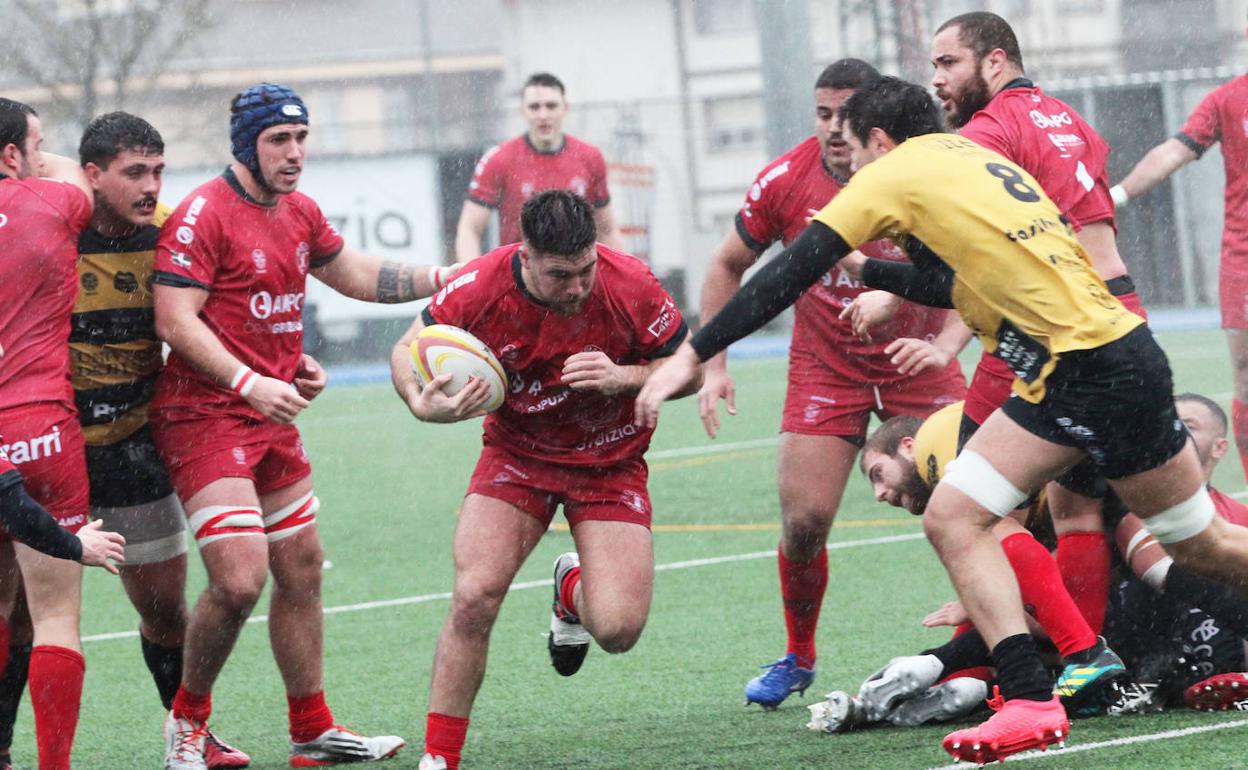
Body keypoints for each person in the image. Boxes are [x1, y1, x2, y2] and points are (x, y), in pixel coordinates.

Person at [635, 75, 1248, 764]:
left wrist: (691, 352)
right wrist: (876, 273)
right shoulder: (970, 158)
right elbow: (952, 283)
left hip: (1089, 371)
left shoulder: (894, 170)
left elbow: (789, 273)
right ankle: (1028, 702)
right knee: (975, 517)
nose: (852, 169)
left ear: (876, 139)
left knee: (1182, 542)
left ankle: (1030, 699)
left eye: (855, 151)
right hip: (1091, 365)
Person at [153, 83, 453, 769]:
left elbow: (352, 273)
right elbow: (174, 319)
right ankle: (187, 724)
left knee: (302, 568)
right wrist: (249, 379)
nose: (294, 154)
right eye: (278, 141)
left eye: (301, 138)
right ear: (246, 145)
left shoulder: (299, 211)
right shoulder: (204, 215)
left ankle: (311, 730)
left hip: (271, 416)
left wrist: (448, 275)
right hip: (203, 416)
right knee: (237, 580)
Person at [694, 57, 969, 710]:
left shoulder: (924, 169)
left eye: (846, 117)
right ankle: (799, 655)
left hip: (919, 358)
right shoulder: (787, 180)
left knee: (973, 506)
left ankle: (991, 637)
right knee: (805, 519)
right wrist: (715, 365)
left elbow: (974, 264)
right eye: (822, 116)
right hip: (827, 368)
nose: (834, 131)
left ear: (875, 124)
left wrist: (933, 332)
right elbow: (728, 263)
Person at [391, 190, 698, 770]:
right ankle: (439, 758)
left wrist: (623, 377)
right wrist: (417, 399)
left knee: (618, 630)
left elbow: (691, 368)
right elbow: (408, 346)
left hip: (609, 460)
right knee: (474, 595)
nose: (578, 287)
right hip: (517, 456)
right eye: (561, 276)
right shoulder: (480, 285)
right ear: (525, 257)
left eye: (586, 271)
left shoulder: (628, 282)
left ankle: (569, 591)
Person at [925, 11, 1146, 639]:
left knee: (976, 510)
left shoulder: (991, 128)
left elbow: (979, 242)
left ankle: (1068, 657)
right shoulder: (1070, 119)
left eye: (948, 64)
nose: (937, 80)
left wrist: (893, 284)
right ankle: (1089, 660)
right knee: (1083, 511)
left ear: (995, 61)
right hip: (1120, 316)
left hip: (1044, 331)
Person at [69, 111, 249, 768]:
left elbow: (214, 319)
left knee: (166, 610)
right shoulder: (54, 230)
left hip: (132, 447)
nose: (151, 186)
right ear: (93, 175)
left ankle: (188, 734)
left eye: (158, 171)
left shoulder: (173, 235)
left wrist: (284, 364)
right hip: (51, 445)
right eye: (134, 172)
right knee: (26, 615)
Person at [0, 96, 132, 770]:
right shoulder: (48, 203)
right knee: (54, 616)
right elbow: (79, 182)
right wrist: (26, 153)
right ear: (13, 155)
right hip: (39, 427)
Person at [1112, 20, 1248, 481]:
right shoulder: (1228, 99)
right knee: (1246, 380)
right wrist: (1118, 196)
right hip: (1243, 260)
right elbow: (1174, 151)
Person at [454, 72, 623, 261]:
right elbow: (470, 228)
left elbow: (607, 230)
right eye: (534, 107)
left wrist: (624, 279)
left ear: (564, 109)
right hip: (520, 279)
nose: (543, 115)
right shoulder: (498, 160)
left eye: (551, 106)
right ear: (523, 110)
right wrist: (469, 278)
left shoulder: (590, 157)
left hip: (578, 279)